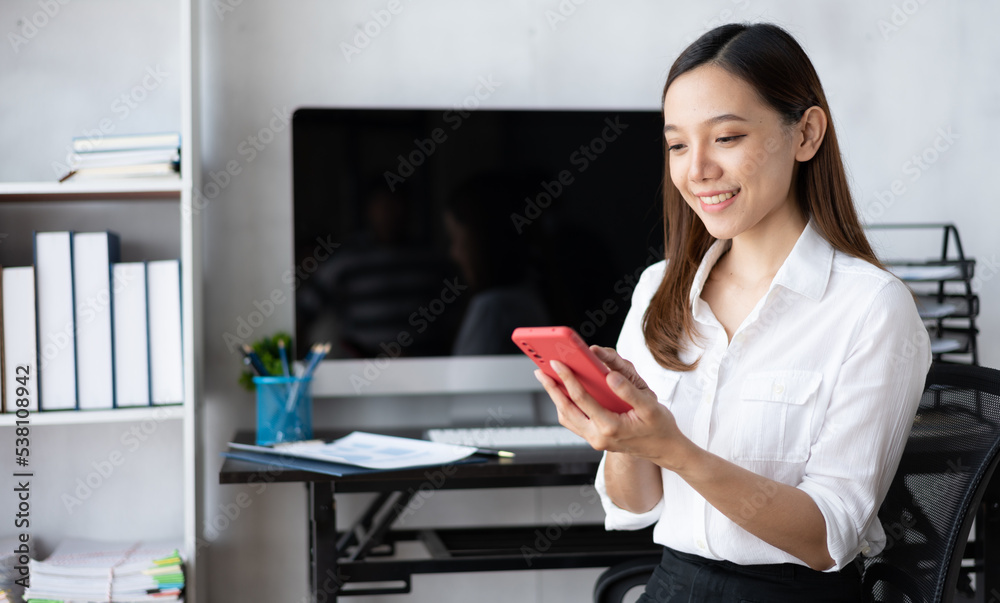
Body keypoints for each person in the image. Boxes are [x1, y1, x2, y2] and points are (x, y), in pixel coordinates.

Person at [534, 23, 931, 602]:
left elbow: (830, 536)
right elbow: (634, 504)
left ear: (807, 134)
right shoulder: (659, 289)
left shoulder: (871, 307)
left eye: (726, 137)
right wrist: (620, 436)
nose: (696, 170)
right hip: (671, 584)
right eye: (676, 144)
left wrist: (676, 450)